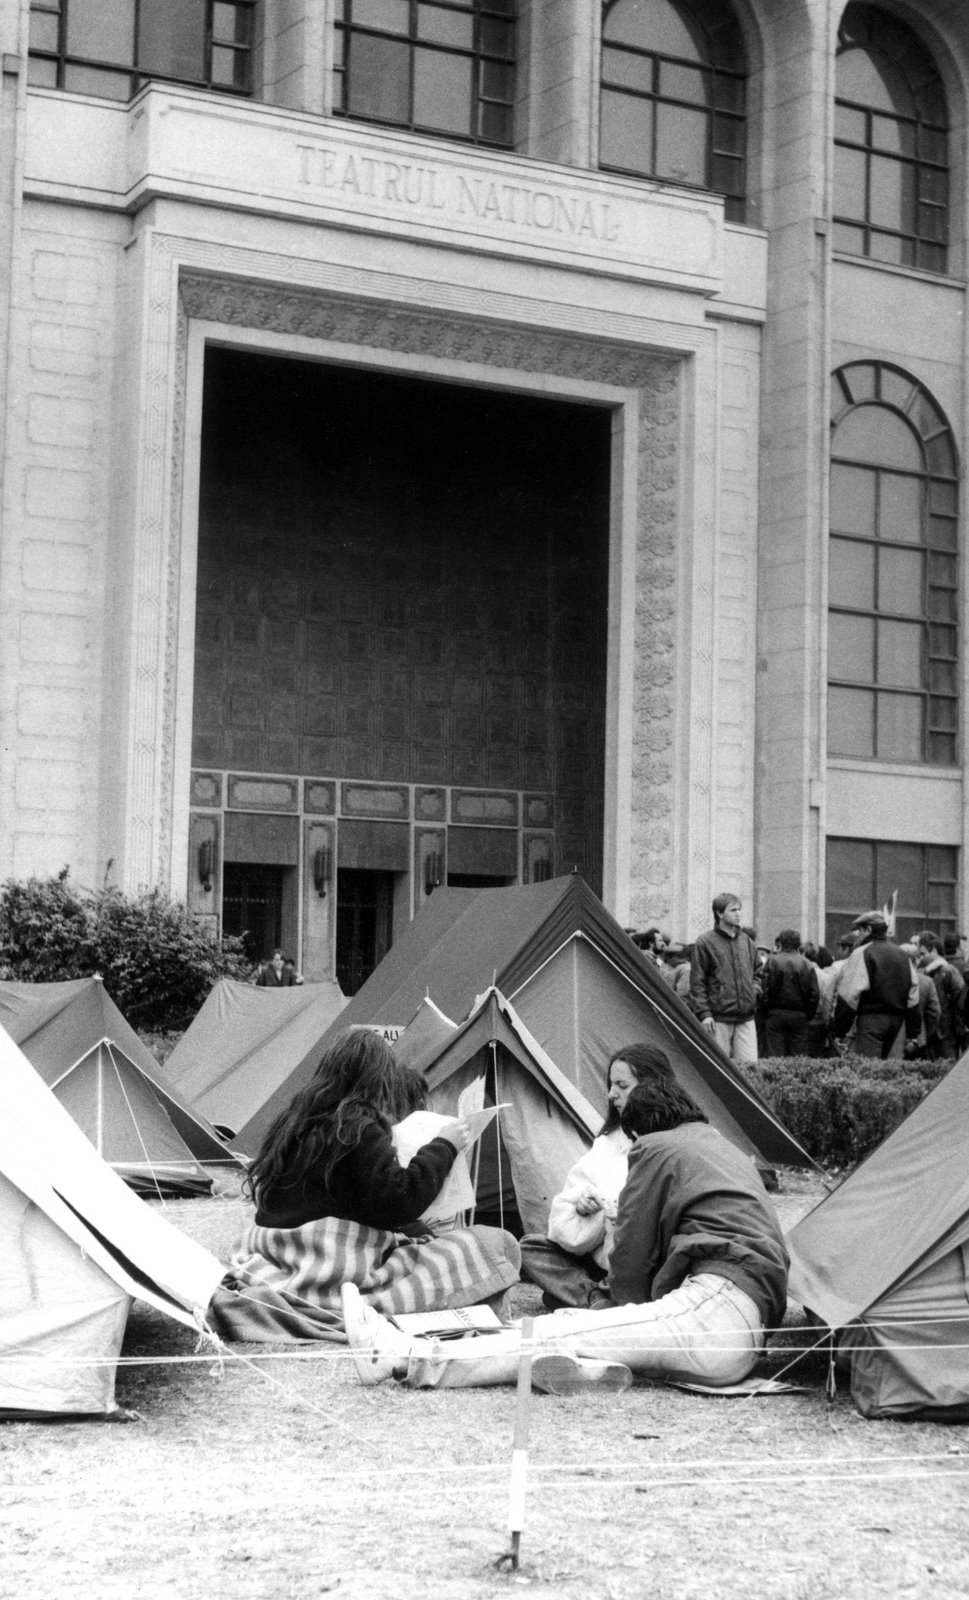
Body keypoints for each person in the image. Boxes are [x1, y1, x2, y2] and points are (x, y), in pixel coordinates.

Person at [341, 1046, 789, 1395]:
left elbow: (632, 1259)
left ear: (642, 1127)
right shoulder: (718, 1145)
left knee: (559, 1329)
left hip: (716, 1311)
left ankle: (405, 1356)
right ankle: (591, 1368)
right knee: (577, 1330)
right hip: (738, 1321)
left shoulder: (656, 1148)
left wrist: (613, 1305)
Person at [208, 1030, 520, 1341]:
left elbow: (341, 1204)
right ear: (379, 1080)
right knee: (499, 1244)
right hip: (331, 1271)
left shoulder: (292, 1123)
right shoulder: (358, 1127)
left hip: (279, 1258)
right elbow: (398, 1201)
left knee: (422, 1239)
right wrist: (444, 1145)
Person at [519, 1047, 642, 1310]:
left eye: (622, 1086)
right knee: (531, 1247)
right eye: (611, 1085)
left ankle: (580, 1294)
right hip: (597, 1258)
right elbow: (569, 1206)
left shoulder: (665, 1143)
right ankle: (595, 1296)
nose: (612, 1094)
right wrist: (582, 1207)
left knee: (552, 1297)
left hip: (637, 1261)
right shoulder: (608, 1143)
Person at [831, 912, 920, 1060]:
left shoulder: (862, 953)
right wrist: (913, 1033)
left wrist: (839, 1032)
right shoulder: (902, 954)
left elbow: (849, 996)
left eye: (860, 930)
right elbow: (913, 996)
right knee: (888, 1066)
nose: (857, 935)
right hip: (897, 1022)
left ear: (868, 930)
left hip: (871, 1021)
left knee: (869, 1066)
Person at [689, 892, 760, 1064]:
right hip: (717, 1018)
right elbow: (697, 982)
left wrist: (754, 992)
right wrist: (704, 1013)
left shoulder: (746, 941)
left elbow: (758, 972)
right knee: (717, 1068)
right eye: (733, 910)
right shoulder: (705, 942)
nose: (738, 914)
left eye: (739, 909)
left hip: (746, 1017)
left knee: (750, 1068)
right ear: (719, 913)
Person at [760, 930, 820, 1058]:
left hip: (775, 1013)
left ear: (781, 943)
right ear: (798, 944)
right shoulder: (806, 964)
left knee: (775, 1057)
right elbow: (814, 994)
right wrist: (807, 1015)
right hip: (799, 1015)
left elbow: (764, 989)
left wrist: (766, 1010)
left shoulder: (772, 961)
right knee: (797, 1058)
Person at [914, 931, 965, 1061]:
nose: (920, 957)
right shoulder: (945, 970)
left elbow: (961, 998)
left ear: (934, 950)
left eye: (922, 953)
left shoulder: (944, 970)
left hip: (940, 1029)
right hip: (941, 1028)